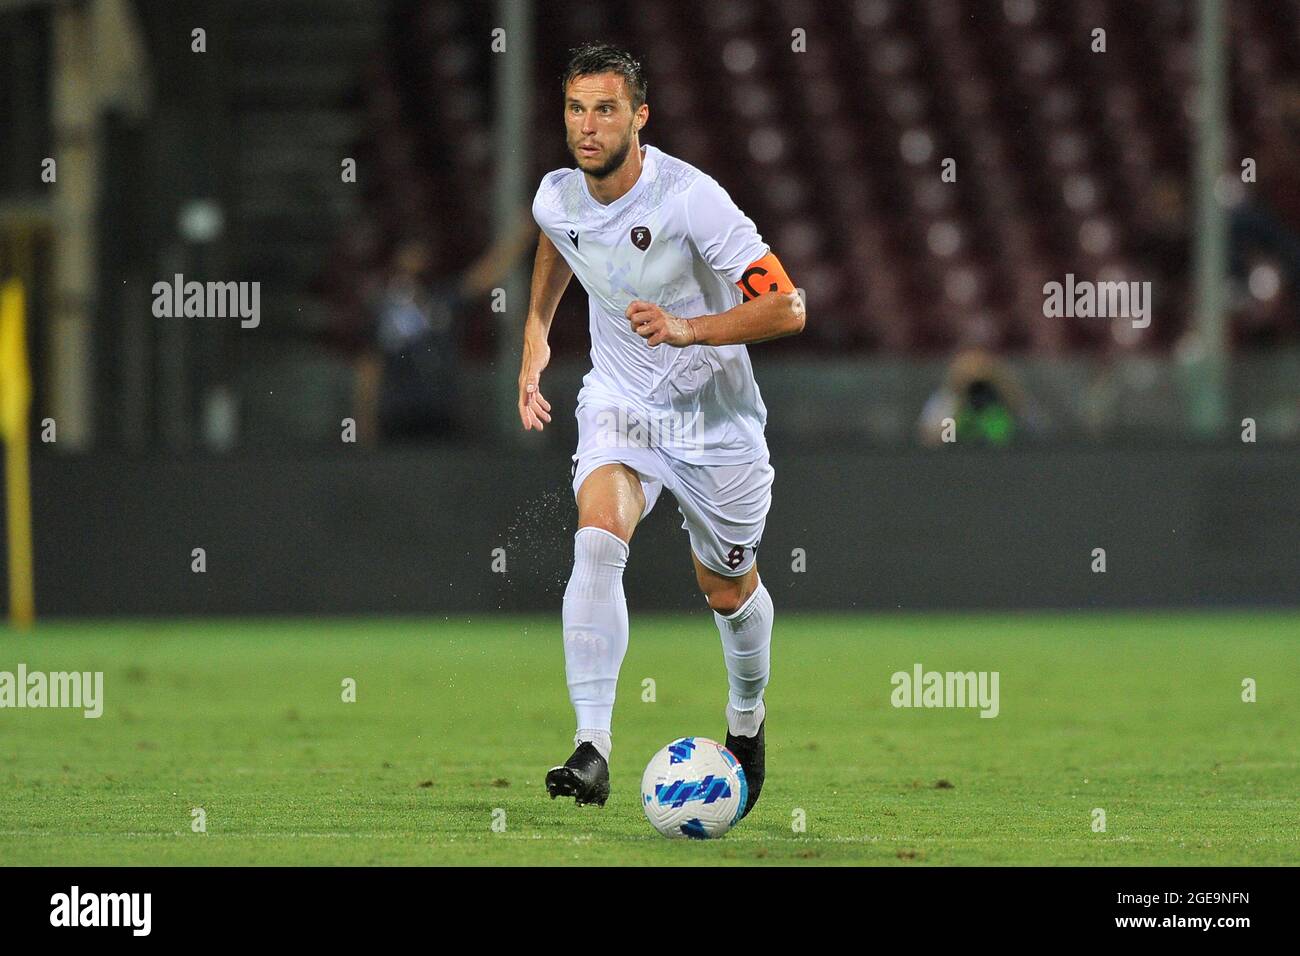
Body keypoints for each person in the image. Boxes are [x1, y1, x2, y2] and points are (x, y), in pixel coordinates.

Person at [518, 43, 805, 817]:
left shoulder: (690, 199)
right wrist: (536, 335)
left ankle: (746, 717)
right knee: (597, 538)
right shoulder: (557, 194)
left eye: (605, 109)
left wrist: (687, 329)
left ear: (639, 117)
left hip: (717, 422)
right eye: (576, 109)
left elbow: (786, 307)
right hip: (621, 402)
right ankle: (592, 747)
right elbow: (557, 237)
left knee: (726, 587)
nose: (588, 126)